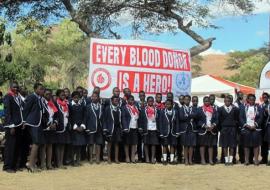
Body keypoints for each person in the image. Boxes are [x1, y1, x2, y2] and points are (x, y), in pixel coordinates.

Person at [23, 83, 45, 172]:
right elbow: (26, 109)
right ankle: (30, 164)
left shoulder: (39, 98)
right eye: (40, 89)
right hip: (32, 123)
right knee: (35, 143)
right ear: (35, 89)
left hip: (38, 123)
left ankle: (32, 163)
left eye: (42, 89)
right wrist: (24, 121)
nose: (42, 90)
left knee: (37, 143)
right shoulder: (32, 97)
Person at [2, 81, 24, 173]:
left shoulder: (18, 97)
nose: (16, 88)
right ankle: (7, 167)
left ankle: (14, 165)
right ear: (10, 87)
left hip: (19, 125)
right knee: (10, 147)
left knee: (17, 146)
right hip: (11, 126)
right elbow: (7, 112)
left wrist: (23, 122)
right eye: (14, 87)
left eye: (17, 87)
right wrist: (11, 126)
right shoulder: (8, 96)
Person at [239, 94, 263, 166]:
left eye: (253, 99)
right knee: (246, 145)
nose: (252, 101)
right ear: (248, 100)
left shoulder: (258, 107)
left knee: (256, 145)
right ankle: (247, 160)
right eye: (250, 99)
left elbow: (261, 117)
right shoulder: (243, 107)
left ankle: (256, 160)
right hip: (246, 128)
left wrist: (255, 124)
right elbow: (241, 117)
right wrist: (246, 125)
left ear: (255, 100)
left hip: (255, 129)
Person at [40, 89, 58, 170]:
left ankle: (49, 164)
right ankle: (42, 165)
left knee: (50, 145)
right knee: (43, 146)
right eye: (47, 94)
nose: (49, 95)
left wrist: (55, 123)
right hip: (44, 127)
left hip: (52, 128)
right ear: (44, 94)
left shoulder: (53, 103)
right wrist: (48, 124)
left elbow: (57, 115)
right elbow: (41, 116)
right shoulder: (41, 103)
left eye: (50, 94)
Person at [218, 96, 239, 165]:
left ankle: (231, 160)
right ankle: (226, 160)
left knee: (232, 145)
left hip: (232, 129)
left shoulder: (235, 109)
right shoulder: (220, 109)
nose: (227, 102)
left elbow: (236, 119)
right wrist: (221, 128)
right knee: (225, 145)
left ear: (231, 102)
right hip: (224, 129)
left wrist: (234, 126)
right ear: (224, 101)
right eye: (226, 101)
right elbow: (219, 119)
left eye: (229, 101)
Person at [198, 96, 218, 165]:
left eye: (208, 101)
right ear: (203, 102)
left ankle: (210, 160)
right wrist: (204, 126)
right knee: (202, 145)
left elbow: (217, 119)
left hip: (211, 130)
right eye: (205, 101)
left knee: (210, 145)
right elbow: (198, 120)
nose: (207, 102)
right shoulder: (200, 109)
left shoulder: (214, 109)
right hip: (203, 130)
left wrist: (213, 125)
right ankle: (203, 160)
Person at [85, 92, 104, 164]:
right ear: (91, 98)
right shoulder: (88, 106)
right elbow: (86, 118)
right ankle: (90, 158)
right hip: (90, 127)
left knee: (98, 143)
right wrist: (86, 128)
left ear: (98, 98)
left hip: (99, 127)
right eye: (93, 96)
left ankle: (97, 158)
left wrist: (103, 127)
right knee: (91, 143)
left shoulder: (101, 106)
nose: (94, 98)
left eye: (96, 96)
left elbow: (103, 118)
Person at [159, 99, 180, 165]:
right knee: (165, 145)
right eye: (166, 104)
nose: (168, 105)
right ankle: (165, 160)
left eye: (169, 104)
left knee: (172, 146)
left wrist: (177, 132)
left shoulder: (175, 112)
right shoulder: (162, 112)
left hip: (173, 132)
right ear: (165, 105)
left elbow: (177, 123)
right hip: (165, 132)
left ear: (172, 105)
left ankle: (171, 160)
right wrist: (161, 132)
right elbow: (161, 123)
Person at [140, 96, 159, 164]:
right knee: (146, 143)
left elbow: (158, 119)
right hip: (146, 128)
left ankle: (152, 158)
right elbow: (141, 119)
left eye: (152, 101)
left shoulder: (156, 109)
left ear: (153, 101)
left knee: (153, 144)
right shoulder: (143, 109)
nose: (150, 102)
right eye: (149, 101)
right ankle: (147, 158)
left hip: (154, 128)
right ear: (147, 102)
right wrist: (141, 127)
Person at [179, 95, 198, 165]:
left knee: (191, 145)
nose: (187, 101)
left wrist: (188, 116)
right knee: (185, 145)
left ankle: (190, 159)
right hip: (184, 129)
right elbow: (181, 118)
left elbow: (196, 116)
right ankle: (186, 159)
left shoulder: (193, 108)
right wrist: (190, 116)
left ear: (190, 101)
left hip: (192, 129)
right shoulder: (181, 109)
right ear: (183, 100)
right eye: (185, 100)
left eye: (188, 100)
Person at [69, 91, 86, 166]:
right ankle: (72, 161)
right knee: (73, 146)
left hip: (81, 128)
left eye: (78, 98)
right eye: (75, 97)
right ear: (72, 98)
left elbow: (84, 116)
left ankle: (78, 160)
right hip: (73, 128)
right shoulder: (69, 106)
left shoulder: (82, 106)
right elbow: (69, 117)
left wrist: (82, 126)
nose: (76, 99)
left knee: (79, 145)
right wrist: (75, 127)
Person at [103, 96, 122, 163]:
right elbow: (104, 119)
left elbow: (120, 120)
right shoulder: (108, 108)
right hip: (110, 128)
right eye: (115, 100)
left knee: (117, 144)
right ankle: (109, 158)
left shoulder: (119, 109)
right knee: (109, 143)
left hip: (117, 129)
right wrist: (105, 128)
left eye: (117, 101)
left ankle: (116, 159)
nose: (116, 101)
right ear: (111, 101)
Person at [55, 89, 71, 169]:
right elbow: (55, 115)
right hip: (59, 127)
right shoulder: (55, 103)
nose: (63, 96)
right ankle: (58, 163)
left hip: (65, 127)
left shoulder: (66, 104)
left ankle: (61, 162)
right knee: (58, 145)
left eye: (64, 95)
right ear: (58, 96)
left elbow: (68, 114)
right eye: (61, 95)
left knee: (63, 145)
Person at [122, 95, 140, 163]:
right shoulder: (124, 107)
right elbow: (123, 118)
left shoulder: (136, 107)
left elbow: (138, 117)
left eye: (132, 100)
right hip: (128, 127)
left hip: (135, 127)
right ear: (127, 100)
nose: (131, 101)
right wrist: (125, 127)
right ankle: (127, 157)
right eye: (130, 100)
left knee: (134, 143)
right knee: (127, 143)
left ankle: (132, 157)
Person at [260, 92, 269, 164]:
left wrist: (268, 112)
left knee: (268, 143)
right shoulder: (261, 105)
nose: (264, 98)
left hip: (268, 126)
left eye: (265, 97)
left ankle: (268, 159)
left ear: (268, 97)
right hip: (262, 127)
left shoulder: (269, 105)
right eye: (263, 97)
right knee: (263, 143)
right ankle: (264, 158)